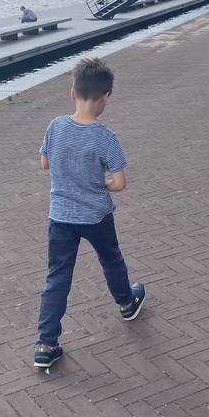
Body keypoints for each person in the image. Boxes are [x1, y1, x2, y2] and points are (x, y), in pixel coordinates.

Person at [34, 57, 145, 369]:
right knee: (111, 260)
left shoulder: (55, 126)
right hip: (96, 216)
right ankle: (126, 303)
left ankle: (46, 343)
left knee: (57, 277)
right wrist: (103, 183)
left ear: (73, 94)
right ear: (106, 96)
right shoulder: (105, 137)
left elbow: (45, 164)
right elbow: (120, 183)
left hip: (60, 217)